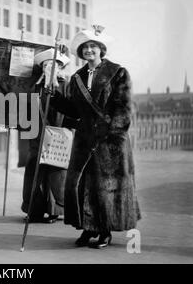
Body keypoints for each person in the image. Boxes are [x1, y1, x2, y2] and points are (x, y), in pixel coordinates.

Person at [49, 26, 141, 248]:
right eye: (85, 48)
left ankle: (105, 231)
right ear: (80, 53)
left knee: (105, 186)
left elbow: (124, 108)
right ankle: (87, 229)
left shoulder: (118, 72)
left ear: (101, 50)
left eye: (93, 46)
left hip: (110, 141)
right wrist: (53, 97)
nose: (89, 50)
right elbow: (74, 110)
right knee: (80, 185)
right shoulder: (77, 78)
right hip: (84, 139)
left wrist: (111, 132)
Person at [21, 48, 73, 224]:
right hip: (36, 135)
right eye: (46, 65)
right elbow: (25, 110)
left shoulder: (66, 86)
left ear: (59, 68)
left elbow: (71, 112)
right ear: (42, 68)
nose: (50, 68)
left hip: (58, 135)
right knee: (34, 172)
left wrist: (66, 131)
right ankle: (33, 210)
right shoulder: (35, 86)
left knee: (55, 172)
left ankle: (54, 210)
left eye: (54, 65)